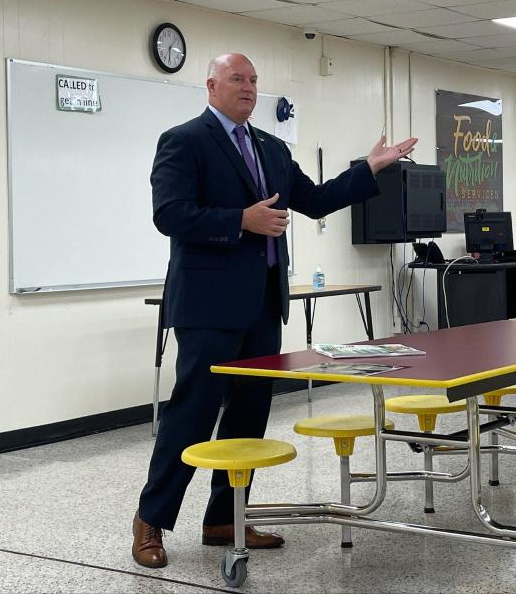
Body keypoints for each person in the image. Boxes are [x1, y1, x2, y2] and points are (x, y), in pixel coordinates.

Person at [132, 52, 417, 568]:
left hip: (263, 304)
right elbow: (169, 214)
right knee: (191, 415)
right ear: (212, 86)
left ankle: (226, 518)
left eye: (254, 80)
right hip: (207, 306)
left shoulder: (271, 147)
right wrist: (240, 220)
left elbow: (317, 199)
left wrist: (370, 167)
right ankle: (151, 520)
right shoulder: (185, 140)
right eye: (237, 78)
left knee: (247, 416)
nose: (248, 87)